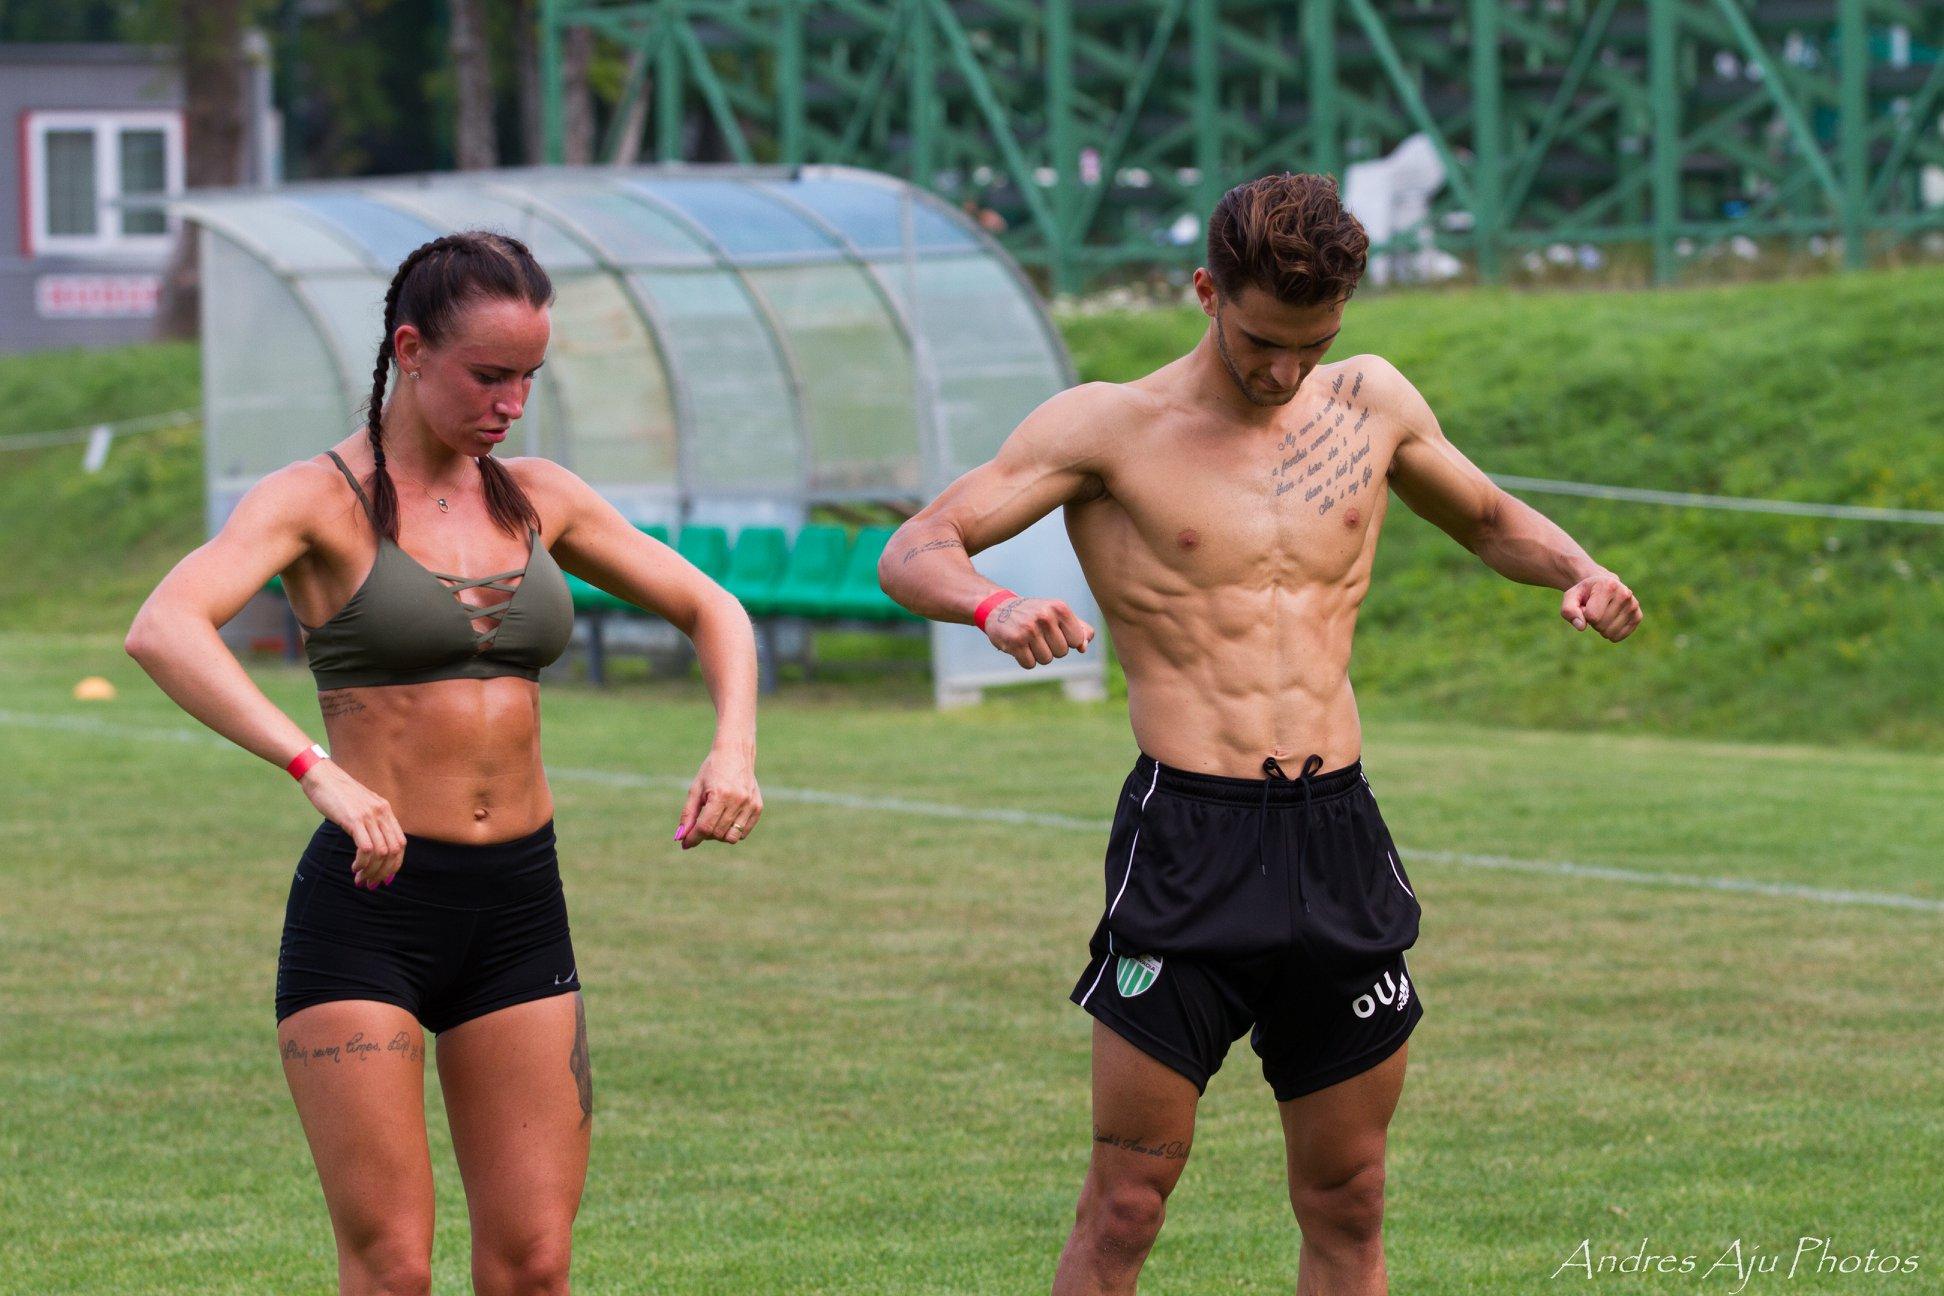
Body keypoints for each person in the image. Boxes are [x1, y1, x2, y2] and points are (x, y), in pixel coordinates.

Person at [879, 174, 1640, 1295]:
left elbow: (1487, 518)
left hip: (1337, 833)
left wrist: (1582, 569)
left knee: (1352, 1197)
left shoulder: (1369, 403)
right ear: (1206, 292)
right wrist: (992, 606)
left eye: (1311, 344)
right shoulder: (1108, 427)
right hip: (1192, 838)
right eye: (1262, 344)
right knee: (1127, 1204)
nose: (1285, 373)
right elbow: (915, 547)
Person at [125, 231, 763, 1296]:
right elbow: (165, 627)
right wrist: (313, 767)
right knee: (393, 1270)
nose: (512, 403)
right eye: (488, 374)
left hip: (517, 905)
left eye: (530, 377)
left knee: (534, 1266)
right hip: (370, 909)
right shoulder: (314, 499)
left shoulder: (541, 494)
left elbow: (713, 607)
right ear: (411, 350)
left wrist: (732, 746)